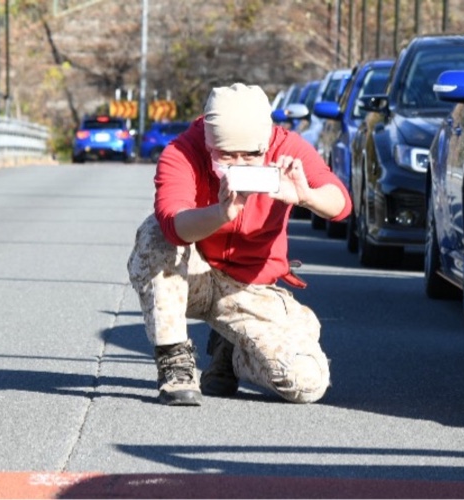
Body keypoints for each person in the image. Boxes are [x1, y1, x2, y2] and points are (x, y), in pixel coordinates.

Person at [127, 82, 351, 406]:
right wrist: (220, 213)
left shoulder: (288, 147)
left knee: (307, 382)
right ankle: (174, 363)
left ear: (267, 141)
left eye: (251, 154)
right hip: (195, 275)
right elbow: (174, 226)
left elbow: (340, 204)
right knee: (154, 234)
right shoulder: (182, 152)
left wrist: (305, 195)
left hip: (251, 288)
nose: (240, 162)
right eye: (227, 155)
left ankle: (232, 352)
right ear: (208, 141)